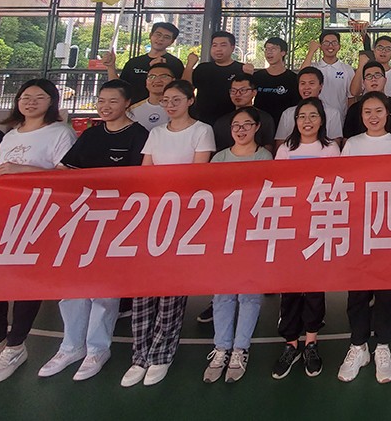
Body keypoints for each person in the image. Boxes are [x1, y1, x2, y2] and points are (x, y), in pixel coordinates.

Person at [0, 79, 77, 387]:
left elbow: (67, 178)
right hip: (5, 216)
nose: (31, 101)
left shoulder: (61, 133)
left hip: (41, 217)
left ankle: (15, 346)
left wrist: (26, 172)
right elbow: (3, 175)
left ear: (52, 102)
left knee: (27, 283)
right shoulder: (9, 135)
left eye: (39, 97)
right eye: (25, 96)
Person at [39, 80, 148, 382]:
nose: (105, 106)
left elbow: (140, 181)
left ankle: (98, 349)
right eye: (101, 101)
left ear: (127, 103)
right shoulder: (90, 135)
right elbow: (65, 171)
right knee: (72, 285)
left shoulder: (139, 135)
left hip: (116, 221)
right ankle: (70, 346)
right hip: (81, 218)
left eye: (113, 101)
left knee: (104, 290)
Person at [123, 80, 214, 388]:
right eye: (166, 100)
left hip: (183, 216)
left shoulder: (202, 130)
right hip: (153, 214)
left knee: (172, 288)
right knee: (144, 286)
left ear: (190, 100)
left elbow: (197, 175)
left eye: (177, 99)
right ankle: (140, 354)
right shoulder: (156, 133)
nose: (170, 105)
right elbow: (145, 173)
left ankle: (162, 353)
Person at [337, 92, 391, 383]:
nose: (373, 116)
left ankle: (383, 346)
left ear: (387, 114)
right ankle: (358, 345)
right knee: (357, 290)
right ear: (361, 115)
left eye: (379, 110)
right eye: (367, 111)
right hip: (357, 224)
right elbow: (343, 182)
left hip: (386, 227)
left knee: (384, 291)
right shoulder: (352, 144)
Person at [272, 98, 340, 380]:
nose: (307, 121)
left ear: (322, 120)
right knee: (289, 286)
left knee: (313, 286)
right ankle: (291, 343)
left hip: (319, 225)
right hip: (291, 225)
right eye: (302, 116)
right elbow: (277, 185)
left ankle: (311, 341)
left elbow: (336, 183)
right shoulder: (285, 149)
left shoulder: (330, 148)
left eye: (313, 116)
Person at [203, 107, 272, 384]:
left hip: (252, 233)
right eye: (236, 125)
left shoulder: (264, 157)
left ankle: (240, 348)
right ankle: (221, 348)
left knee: (249, 293)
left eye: (246, 125)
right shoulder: (219, 158)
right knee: (222, 293)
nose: (241, 130)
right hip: (224, 233)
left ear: (257, 127)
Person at [183, 30, 254, 125]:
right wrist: (189, 65)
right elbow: (184, 89)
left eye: (223, 45)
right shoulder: (202, 68)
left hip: (231, 122)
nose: (218, 49)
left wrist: (249, 75)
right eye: (214, 45)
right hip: (202, 121)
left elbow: (249, 95)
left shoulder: (241, 69)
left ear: (232, 48)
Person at [102, 21, 184, 103]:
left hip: (164, 108)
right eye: (158, 34)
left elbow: (181, 91)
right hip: (133, 108)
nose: (161, 39)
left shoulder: (175, 64)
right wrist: (110, 66)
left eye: (166, 37)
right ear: (150, 35)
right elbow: (118, 88)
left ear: (172, 42)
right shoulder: (134, 62)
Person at [275, 67, 344, 148]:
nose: (306, 87)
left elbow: (335, 144)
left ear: (321, 86)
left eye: (311, 83)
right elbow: (280, 144)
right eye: (303, 83)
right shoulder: (287, 113)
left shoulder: (333, 113)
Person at [343, 61, 391, 139]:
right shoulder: (354, 109)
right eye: (369, 76)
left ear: (385, 80)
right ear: (364, 82)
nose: (373, 79)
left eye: (378, 75)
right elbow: (346, 140)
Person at [212, 74, 276, 151]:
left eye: (243, 90)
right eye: (233, 91)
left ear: (254, 92)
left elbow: (268, 147)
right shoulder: (221, 122)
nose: (237, 94)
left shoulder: (265, 119)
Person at [302, 30, 354, 116]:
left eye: (334, 43)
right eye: (326, 43)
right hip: (315, 116)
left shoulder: (347, 69)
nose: (330, 46)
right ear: (321, 46)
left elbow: (351, 98)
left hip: (340, 117)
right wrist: (311, 51)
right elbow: (302, 76)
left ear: (339, 46)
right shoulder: (314, 68)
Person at [252, 37, 299, 126]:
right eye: (266, 49)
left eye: (273, 49)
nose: (269, 52)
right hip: (260, 125)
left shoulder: (293, 79)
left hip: (284, 125)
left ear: (283, 52)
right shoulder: (257, 76)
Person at [351, 35, 391, 102]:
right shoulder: (366, 72)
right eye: (380, 48)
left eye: (388, 49)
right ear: (374, 50)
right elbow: (354, 92)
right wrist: (360, 66)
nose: (383, 51)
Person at [128, 62, 173, 131]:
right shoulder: (132, 110)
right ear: (146, 82)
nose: (157, 80)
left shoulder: (179, 108)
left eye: (163, 76)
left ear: (173, 81)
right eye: (152, 77)